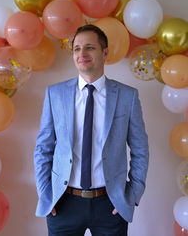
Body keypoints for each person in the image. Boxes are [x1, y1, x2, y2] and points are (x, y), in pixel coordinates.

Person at [34, 24, 149, 236]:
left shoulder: (127, 96)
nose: (82, 54)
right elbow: (43, 149)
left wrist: (131, 197)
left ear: (104, 53)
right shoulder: (55, 94)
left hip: (110, 204)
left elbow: (140, 149)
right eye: (77, 48)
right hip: (63, 203)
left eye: (89, 47)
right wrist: (46, 195)